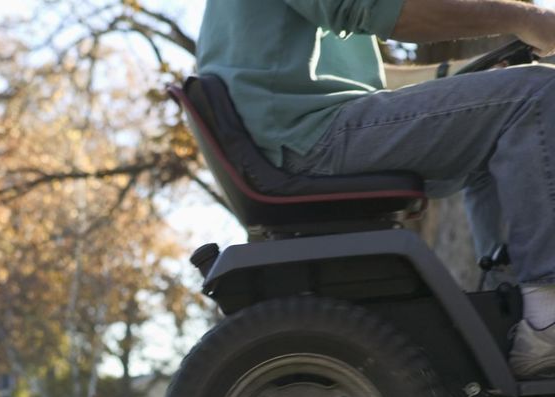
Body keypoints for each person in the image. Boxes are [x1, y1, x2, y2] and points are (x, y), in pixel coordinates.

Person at [197, 0, 555, 377]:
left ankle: (512, 307)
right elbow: (388, 12)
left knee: (504, 123)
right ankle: (547, 319)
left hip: (294, 133)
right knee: (536, 95)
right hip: (309, 138)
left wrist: (470, 76)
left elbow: (370, 79)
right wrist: (527, 18)